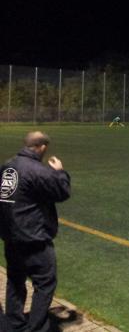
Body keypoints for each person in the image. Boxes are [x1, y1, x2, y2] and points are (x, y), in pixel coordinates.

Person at [0, 131, 71, 332]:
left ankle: (14, 324)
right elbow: (62, 192)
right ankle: (35, 328)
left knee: (15, 281)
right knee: (45, 283)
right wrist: (59, 172)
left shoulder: (7, 166)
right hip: (34, 238)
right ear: (42, 147)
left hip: (11, 237)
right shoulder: (37, 170)